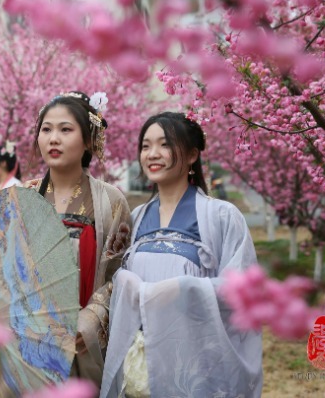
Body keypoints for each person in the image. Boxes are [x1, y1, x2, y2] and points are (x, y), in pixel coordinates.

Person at [100, 112, 263, 397]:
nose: (153, 154)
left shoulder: (221, 217)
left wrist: (183, 288)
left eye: (165, 144)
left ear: (191, 155)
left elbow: (243, 292)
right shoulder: (135, 218)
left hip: (196, 367)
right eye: (146, 146)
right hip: (140, 370)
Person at [23, 91, 132, 387]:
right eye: (46, 129)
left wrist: (92, 317)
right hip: (27, 342)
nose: (53, 139)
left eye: (65, 129)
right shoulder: (23, 198)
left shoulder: (110, 202)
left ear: (88, 140)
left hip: (80, 345)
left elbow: (120, 275)